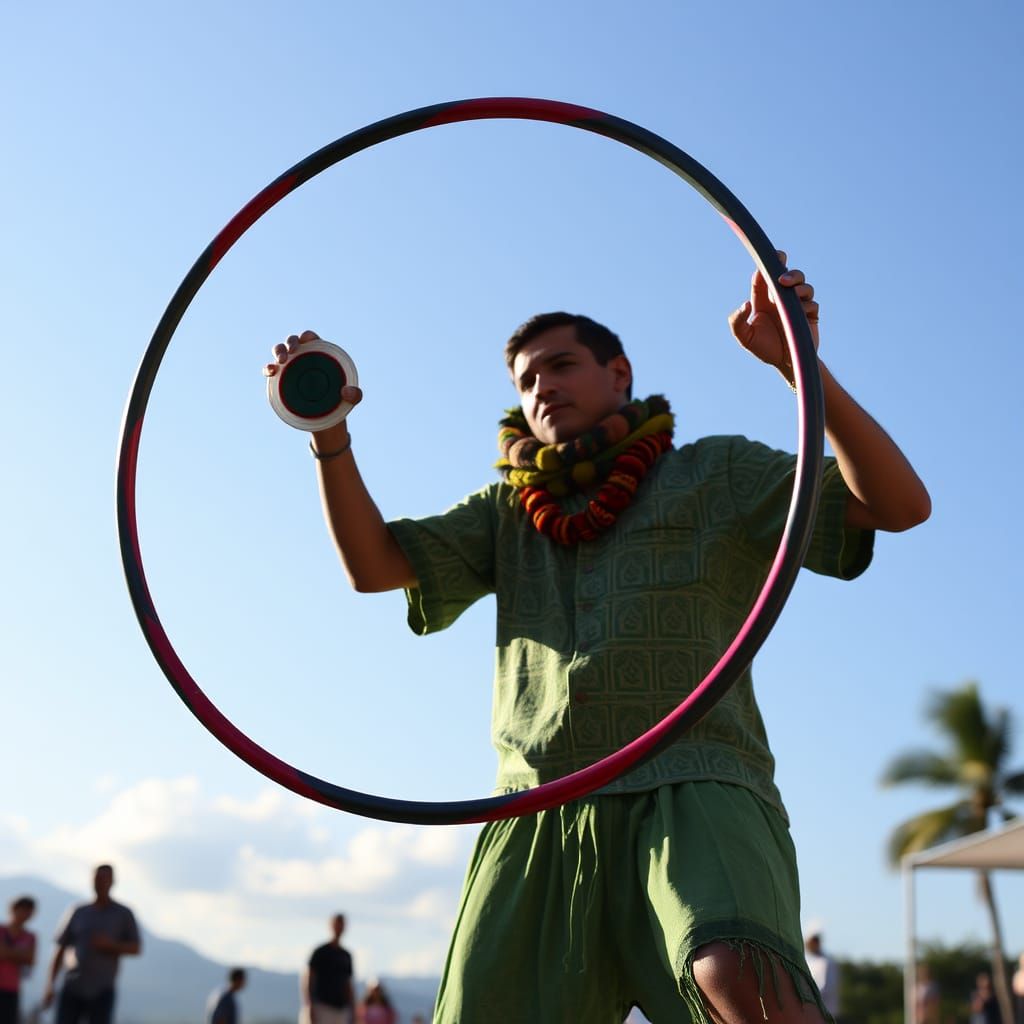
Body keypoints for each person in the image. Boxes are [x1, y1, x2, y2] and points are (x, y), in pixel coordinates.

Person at [266, 254, 930, 1023]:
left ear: (620, 374)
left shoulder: (716, 473)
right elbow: (374, 567)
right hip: (538, 807)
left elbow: (899, 504)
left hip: (696, 782)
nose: (540, 386)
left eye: (560, 364)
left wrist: (800, 369)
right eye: (524, 379)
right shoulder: (507, 511)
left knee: (738, 976)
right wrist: (329, 435)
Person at [43, 864, 141, 1024]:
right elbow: (60, 948)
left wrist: (111, 945)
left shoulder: (123, 914)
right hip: (72, 984)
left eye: (104, 879)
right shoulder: (78, 911)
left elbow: (136, 948)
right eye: (97, 878)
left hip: (102, 988)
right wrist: (50, 984)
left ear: (112, 882)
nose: (100, 883)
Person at [301, 914, 354, 1024]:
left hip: (341, 1009)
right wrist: (309, 1005)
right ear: (331, 926)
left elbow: (348, 984)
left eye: (341, 925)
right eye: (337, 924)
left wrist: (352, 1009)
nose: (339, 928)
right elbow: (308, 978)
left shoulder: (346, 955)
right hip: (321, 1007)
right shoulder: (320, 952)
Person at [0, 896, 37, 1024]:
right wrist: (19, 955)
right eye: (24, 910)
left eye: (29, 911)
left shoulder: (30, 937)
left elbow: (30, 960)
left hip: (12, 988)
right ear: (14, 909)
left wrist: (7, 952)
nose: (26, 915)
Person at [803, 927, 840, 1021]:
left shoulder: (827, 962)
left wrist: (805, 995)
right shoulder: (809, 962)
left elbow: (827, 988)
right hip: (811, 1012)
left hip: (824, 1014)